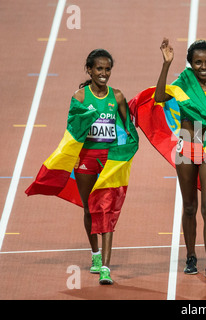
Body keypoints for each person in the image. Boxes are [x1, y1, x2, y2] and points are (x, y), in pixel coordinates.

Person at [155, 38, 206, 281]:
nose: (204, 67)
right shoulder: (184, 84)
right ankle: (191, 255)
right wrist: (166, 65)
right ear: (190, 64)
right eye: (198, 62)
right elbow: (159, 97)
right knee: (189, 206)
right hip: (187, 147)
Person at [72, 49, 132, 284]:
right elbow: (72, 131)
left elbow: (128, 128)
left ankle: (105, 268)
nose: (104, 73)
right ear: (89, 69)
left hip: (109, 161)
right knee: (89, 209)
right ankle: (95, 255)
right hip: (86, 160)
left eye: (107, 69)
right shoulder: (79, 97)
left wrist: (125, 153)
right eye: (99, 69)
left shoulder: (116, 97)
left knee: (106, 210)